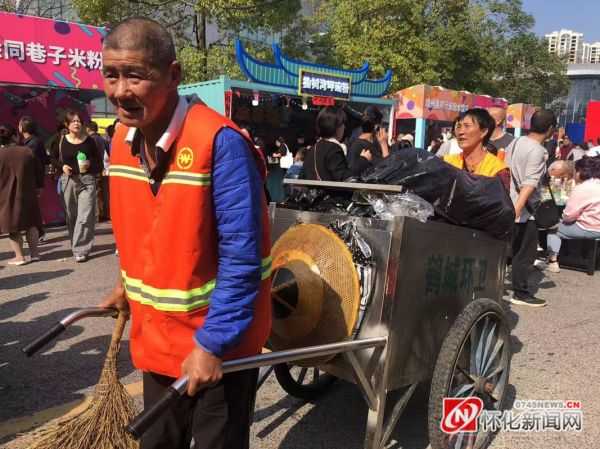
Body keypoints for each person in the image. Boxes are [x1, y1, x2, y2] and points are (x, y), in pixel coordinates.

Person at [98, 17, 271, 449]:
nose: (120, 91)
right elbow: (143, 225)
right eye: (111, 75)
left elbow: (242, 256)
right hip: (159, 341)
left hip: (220, 345)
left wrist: (212, 345)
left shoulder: (220, 142)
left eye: (135, 75)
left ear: (173, 75)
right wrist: (125, 281)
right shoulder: (121, 139)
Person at [505, 109, 557, 307]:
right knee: (524, 253)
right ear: (550, 128)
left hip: (509, 201)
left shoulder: (516, 142)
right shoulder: (537, 150)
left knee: (510, 249)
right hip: (525, 210)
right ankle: (521, 293)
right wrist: (518, 208)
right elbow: (530, 183)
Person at [49, 111, 101, 262]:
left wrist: (90, 165)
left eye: (79, 121)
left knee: (85, 216)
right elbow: (51, 157)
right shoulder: (60, 139)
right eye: (73, 121)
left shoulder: (90, 141)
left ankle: (81, 249)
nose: (77, 123)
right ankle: (76, 243)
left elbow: (99, 163)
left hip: (87, 181)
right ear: (67, 124)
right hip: (69, 181)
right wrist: (62, 166)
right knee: (72, 216)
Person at [537, 156, 600, 273]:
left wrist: (561, 218)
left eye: (575, 171)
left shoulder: (582, 188)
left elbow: (568, 216)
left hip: (587, 228)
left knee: (553, 227)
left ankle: (552, 261)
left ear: (580, 171)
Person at [0, 125, 43, 265]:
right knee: (32, 223)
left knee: (13, 226)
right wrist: (39, 187)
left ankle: (19, 257)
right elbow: (39, 169)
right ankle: (35, 254)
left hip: (6, 194)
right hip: (28, 192)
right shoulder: (27, 151)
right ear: (14, 136)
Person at [443, 108, 510, 190]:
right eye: (459, 127)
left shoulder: (497, 169)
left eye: (467, 126)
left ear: (484, 132)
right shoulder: (447, 162)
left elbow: (500, 201)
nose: (461, 132)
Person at [304, 106, 362, 181]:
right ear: (336, 127)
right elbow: (344, 177)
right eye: (342, 124)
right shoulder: (333, 148)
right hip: (329, 192)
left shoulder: (312, 149)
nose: (344, 127)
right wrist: (362, 161)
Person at [347, 105, 389, 176]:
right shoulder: (362, 146)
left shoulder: (358, 143)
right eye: (382, 126)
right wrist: (384, 145)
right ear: (377, 127)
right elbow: (387, 168)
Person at [87, 121, 111, 221]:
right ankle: (106, 213)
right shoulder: (103, 139)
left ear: (88, 129)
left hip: (93, 169)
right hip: (102, 168)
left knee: (95, 193)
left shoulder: (90, 140)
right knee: (104, 193)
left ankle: (97, 215)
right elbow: (109, 154)